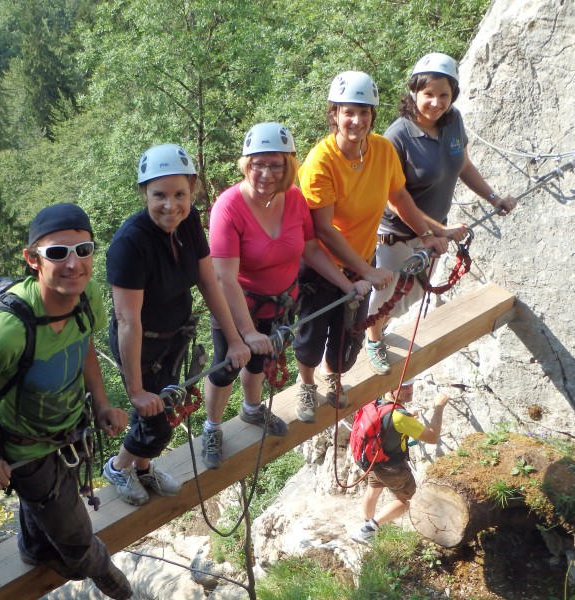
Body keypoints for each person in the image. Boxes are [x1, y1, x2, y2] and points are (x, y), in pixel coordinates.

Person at [0, 203, 132, 599]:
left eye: (84, 250)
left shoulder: (86, 294)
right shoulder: (3, 330)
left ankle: (34, 548)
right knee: (77, 543)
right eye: (57, 253)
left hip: (71, 430)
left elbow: (84, 342)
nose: (73, 264)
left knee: (46, 510)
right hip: (25, 446)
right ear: (33, 259)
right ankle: (106, 573)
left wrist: (101, 402)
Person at [201, 122, 371, 469]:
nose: (265, 173)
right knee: (225, 368)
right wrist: (247, 332)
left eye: (275, 164)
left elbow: (310, 248)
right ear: (245, 163)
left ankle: (251, 410)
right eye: (257, 163)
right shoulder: (228, 207)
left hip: (280, 302)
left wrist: (345, 284)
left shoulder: (294, 199)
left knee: (261, 361)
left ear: (288, 166)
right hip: (238, 305)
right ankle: (212, 427)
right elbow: (224, 277)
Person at [104, 143, 250, 503]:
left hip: (173, 338)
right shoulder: (130, 244)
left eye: (179, 194)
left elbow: (208, 282)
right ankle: (119, 467)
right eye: (159, 196)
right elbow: (127, 320)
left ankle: (141, 468)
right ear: (144, 194)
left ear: (192, 191)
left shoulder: (188, 225)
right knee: (157, 424)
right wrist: (136, 390)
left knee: (163, 413)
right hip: (139, 342)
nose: (171, 205)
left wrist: (234, 339)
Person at [295, 70, 448, 407]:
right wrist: (364, 272)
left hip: (362, 261)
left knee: (348, 339)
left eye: (364, 112)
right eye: (349, 112)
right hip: (322, 265)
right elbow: (322, 229)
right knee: (312, 336)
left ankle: (333, 378)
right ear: (334, 114)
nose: (357, 120)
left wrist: (427, 234)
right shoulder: (321, 161)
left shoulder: (380, 149)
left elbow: (400, 197)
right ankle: (307, 386)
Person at [365, 53, 519, 375]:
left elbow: (462, 165)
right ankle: (373, 339)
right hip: (397, 234)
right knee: (387, 297)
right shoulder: (398, 137)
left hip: (433, 235)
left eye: (444, 95)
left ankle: (374, 326)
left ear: (453, 96)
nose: (436, 102)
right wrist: (436, 231)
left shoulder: (453, 121)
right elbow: (396, 199)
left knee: (412, 296)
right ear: (413, 93)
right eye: (428, 94)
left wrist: (493, 198)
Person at [351, 380, 449, 544]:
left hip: (373, 460)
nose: (410, 390)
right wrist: (438, 407)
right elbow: (432, 437)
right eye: (403, 387)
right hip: (391, 466)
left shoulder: (377, 401)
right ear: (390, 388)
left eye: (411, 385)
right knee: (407, 501)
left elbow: (386, 423)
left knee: (373, 491)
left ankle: (367, 523)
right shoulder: (399, 416)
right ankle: (367, 531)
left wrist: (407, 415)